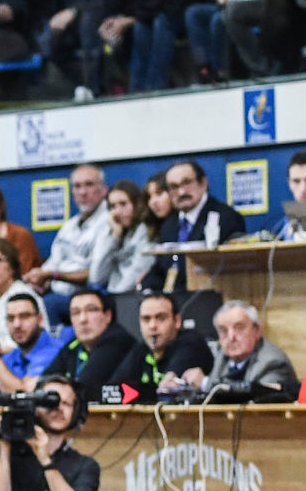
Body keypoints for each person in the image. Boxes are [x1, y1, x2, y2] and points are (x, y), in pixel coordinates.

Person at [29, 164, 113, 323]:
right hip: (57, 292)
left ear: (103, 189)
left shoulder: (109, 222)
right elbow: (53, 262)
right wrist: (37, 280)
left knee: (48, 305)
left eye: (89, 185)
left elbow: (95, 275)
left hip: (90, 295)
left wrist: (53, 275)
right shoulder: (69, 226)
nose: (82, 192)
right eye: (77, 186)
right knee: (24, 298)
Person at [156, 159, 245, 287]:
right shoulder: (169, 224)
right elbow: (160, 267)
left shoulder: (226, 218)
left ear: (203, 183)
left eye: (186, 183)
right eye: (174, 187)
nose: (181, 192)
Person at [111, 293, 215, 401]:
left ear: (177, 321)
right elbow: (113, 389)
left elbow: (171, 379)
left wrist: (172, 376)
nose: (152, 326)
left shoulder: (191, 343)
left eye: (160, 318)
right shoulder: (141, 349)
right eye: (146, 319)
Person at [187, 300, 299, 400]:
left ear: (256, 330)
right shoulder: (223, 357)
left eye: (239, 328)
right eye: (223, 331)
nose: (231, 337)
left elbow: (258, 399)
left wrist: (206, 383)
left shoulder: (273, 361)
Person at [44, 287, 138, 404]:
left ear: (108, 316)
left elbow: (85, 386)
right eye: (75, 313)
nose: (83, 319)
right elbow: (44, 382)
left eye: (91, 310)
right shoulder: (73, 345)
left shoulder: (117, 340)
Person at [89, 179, 156, 293]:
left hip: (131, 297)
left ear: (137, 204)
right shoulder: (115, 231)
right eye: (113, 206)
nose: (117, 212)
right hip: (115, 296)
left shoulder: (148, 231)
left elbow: (137, 272)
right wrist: (114, 237)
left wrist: (113, 299)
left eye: (123, 204)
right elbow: (96, 277)